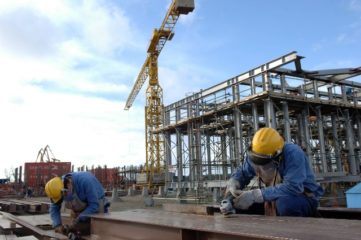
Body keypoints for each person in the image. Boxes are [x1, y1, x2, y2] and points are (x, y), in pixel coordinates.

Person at [220, 127, 324, 217]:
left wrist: (254, 195)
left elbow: (293, 187)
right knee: (238, 203)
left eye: (264, 162)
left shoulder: (293, 153)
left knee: (285, 204)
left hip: (302, 198)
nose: (261, 165)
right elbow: (242, 173)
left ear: (277, 155)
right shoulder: (256, 153)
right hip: (273, 197)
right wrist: (233, 184)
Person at [45, 172, 110, 234]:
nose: (64, 199)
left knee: (98, 232)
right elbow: (54, 208)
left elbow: (94, 205)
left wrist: (79, 218)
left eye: (63, 196)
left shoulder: (85, 181)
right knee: (75, 231)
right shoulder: (57, 187)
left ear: (68, 185)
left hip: (97, 205)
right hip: (80, 208)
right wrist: (57, 225)